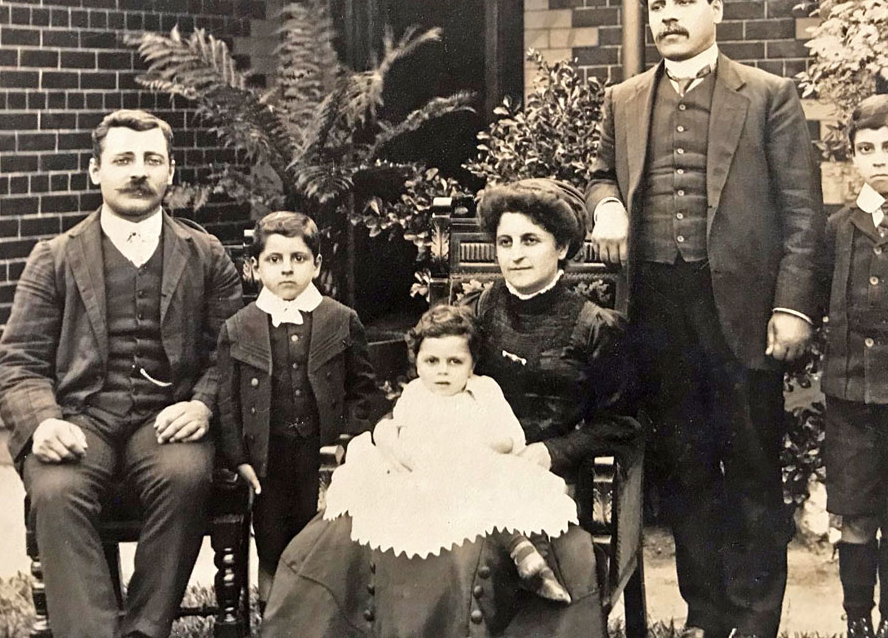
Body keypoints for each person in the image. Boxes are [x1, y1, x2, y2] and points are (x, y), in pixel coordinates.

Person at [261, 177, 635, 638]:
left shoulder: (595, 327)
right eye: (505, 241)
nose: (515, 254)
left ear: (562, 247)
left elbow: (621, 426)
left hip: (533, 471)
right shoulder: (474, 311)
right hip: (447, 459)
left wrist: (550, 452)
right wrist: (386, 431)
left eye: (531, 241)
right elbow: (427, 384)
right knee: (349, 530)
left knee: (461, 552)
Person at [586, 0, 825, 638]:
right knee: (685, 467)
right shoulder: (624, 99)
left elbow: (802, 213)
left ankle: (754, 620)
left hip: (744, 311)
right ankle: (705, 614)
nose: (668, 17)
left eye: (683, 3)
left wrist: (792, 305)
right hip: (658, 309)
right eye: (657, 7)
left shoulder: (769, 96)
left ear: (716, 9)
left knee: (751, 467)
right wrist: (607, 207)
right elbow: (603, 174)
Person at [0, 109, 243, 638]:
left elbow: (230, 355)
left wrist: (202, 403)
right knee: (56, 488)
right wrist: (43, 422)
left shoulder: (206, 256)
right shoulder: (54, 258)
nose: (138, 172)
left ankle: (143, 631)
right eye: (123, 159)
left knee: (185, 476)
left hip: (167, 420)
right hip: (81, 418)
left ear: (171, 173)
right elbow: (19, 361)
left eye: (152, 160)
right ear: (95, 171)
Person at [323, 303, 577, 603]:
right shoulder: (415, 394)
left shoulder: (484, 390)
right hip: (425, 479)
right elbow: (398, 434)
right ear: (416, 362)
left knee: (507, 496)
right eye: (431, 361)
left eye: (455, 362)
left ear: (472, 365)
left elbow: (511, 438)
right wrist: (399, 445)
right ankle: (519, 552)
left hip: (476, 470)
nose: (442, 371)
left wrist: (482, 444)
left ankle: (532, 560)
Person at [215, 210, 380, 594]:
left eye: (298, 258)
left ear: (317, 264)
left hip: (320, 457)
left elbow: (364, 391)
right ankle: (274, 618)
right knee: (272, 543)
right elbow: (227, 403)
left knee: (322, 537)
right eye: (274, 260)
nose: (287, 269)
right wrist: (239, 459)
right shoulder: (238, 328)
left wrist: (348, 443)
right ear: (254, 267)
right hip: (266, 461)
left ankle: (321, 617)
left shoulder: (341, 320)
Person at [820, 95, 888, 638]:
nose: (878, 160)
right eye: (866, 149)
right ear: (852, 157)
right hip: (850, 400)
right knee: (856, 513)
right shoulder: (838, 228)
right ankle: (858, 620)